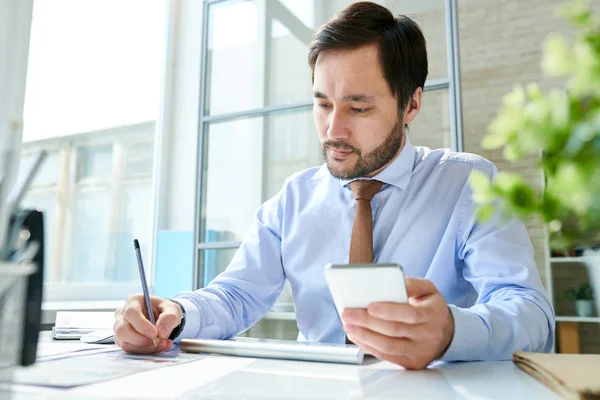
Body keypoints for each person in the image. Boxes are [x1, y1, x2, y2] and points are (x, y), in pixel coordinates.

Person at [114, 1, 555, 370]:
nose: (333, 130)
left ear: (412, 104)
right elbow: (236, 295)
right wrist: (175, 313)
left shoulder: (467, 182)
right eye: (322, 104)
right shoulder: (293, 199)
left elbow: (532, 315)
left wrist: (452, 331)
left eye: (358, 108)